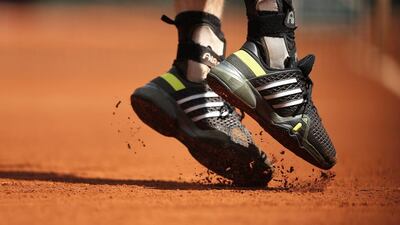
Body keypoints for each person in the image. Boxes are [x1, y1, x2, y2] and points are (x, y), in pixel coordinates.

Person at [131, 0, 336, 186]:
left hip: (189, 77)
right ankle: (273, 55)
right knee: (272, 34)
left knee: (198, 59)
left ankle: (193, 71)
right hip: (267, 63)